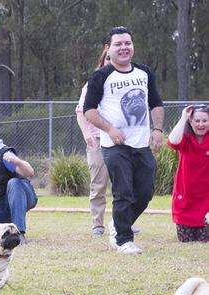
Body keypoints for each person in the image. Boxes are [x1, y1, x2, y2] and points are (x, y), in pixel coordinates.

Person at [84, 26, 164, 254]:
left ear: (133, 46)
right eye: (118, 44)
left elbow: (156, 103)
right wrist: (110, 129)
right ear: (108, 49)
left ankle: (119, 224)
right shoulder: (100, 76)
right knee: (123, 192)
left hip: (141, 145)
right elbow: (89, 110)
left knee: (146, 192)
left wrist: (157, 129)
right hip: (115, 146)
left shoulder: (144, 72)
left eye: (127, 43)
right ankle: (123, 240)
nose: (124, 48)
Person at [76, 47, 112, 237]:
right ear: (102, 60)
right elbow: (81, 112)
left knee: (125, 184)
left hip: (120, 139)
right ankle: (97, 224)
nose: (110, 60)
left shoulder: (126, 81)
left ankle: (123, 223)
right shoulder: (93, 83)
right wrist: (87, 135)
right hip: (98, 140)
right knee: (99, 184)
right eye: (107, 57)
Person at [167, 104, 209, 242]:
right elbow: (172, 141)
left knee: (204, 242)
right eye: (197, 121)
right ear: (191, 122)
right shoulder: (185, 137)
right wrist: (184, 117)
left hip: (206, 202)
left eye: (205, 121)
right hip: (185, 200)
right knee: (186, 242)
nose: (201, 124)